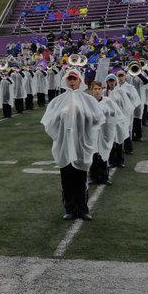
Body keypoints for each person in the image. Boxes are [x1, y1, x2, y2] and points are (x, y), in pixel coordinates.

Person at [40, 69, 103, 221]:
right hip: (64, 145)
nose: (72, 81)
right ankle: (69, 208)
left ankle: (82, 209)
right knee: (66, 179)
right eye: (70, 79)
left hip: (81, 144)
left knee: (81, 179)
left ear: (80, 80)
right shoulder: (58, 100)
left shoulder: (88, 100)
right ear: (66, 81)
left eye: (75, 78)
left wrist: (83, 115)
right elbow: (49, 121)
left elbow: (97, 119)